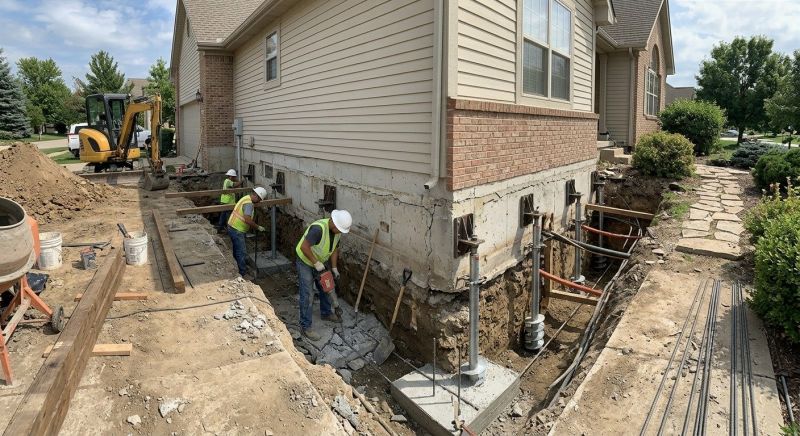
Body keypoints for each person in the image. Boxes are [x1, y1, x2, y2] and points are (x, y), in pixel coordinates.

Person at [295, 209, 352, 340]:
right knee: (308, 294)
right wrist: (315, 263)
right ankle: (305, 327)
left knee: (326, 287)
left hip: (319, 261)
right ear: (334, 223)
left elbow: (334, 250)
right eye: (340, 229)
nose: (340, 232)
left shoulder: (337, 232)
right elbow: (304, 247)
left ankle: (326, 313)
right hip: (305, 261)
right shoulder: (318, 229)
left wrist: (334, 267)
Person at [227, 187, 268, 278]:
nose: (259, 202)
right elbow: (247, 219)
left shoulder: (246, 198)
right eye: (260, 200)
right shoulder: (249, 204)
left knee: (237, 250)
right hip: (237, 230)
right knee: (241, 252)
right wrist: (257, 227)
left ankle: (237, 267)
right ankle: (243, 272)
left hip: (232, 227)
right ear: (257, 196)